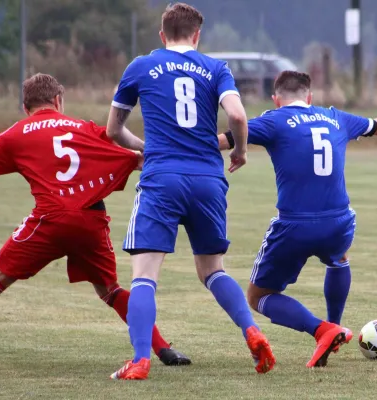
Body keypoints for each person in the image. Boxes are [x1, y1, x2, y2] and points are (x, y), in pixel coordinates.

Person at [217, 70, 377, 367]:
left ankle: (324, 329)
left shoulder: (273, 120)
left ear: (276, 99)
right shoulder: (335, 117)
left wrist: (161, 150)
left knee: (258, 297)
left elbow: (221, 140)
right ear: (309, 97)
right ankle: (335, 325)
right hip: (339, 222)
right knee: (338, 257)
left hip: (295, 225)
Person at [106, 3, 275, 380]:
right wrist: (241, 151)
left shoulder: (142, 65)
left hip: (162, 178)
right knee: (212, 269)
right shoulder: (215, 68)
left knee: (145, 275)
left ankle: (140, 360)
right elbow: (238, 116)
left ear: (161, 35)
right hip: (207, 181)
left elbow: (113, 130)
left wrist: (145, 148)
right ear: (197, 36)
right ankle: (253, 332)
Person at [0, 73, 190, 367]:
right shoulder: (85, 129)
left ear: (26, 107)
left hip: (51, 219)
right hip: (91, 219)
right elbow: (136, 157)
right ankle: (164, 348)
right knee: (111, 290)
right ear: (58, 101)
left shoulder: (16, 133)